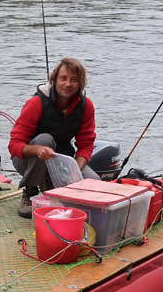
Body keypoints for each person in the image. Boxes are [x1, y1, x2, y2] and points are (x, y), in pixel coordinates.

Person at [8, 57, 99, 218]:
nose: (68, 84)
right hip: (28, 161)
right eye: (63, 78)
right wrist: (37, 149)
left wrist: (75, 169)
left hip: (60, 161)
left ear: (80, 83)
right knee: (44, 139)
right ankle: (30, 191)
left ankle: (54, 186)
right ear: (54, 80)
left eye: (74, 80)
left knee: (94, 182)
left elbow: (86, 144)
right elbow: (14, 146)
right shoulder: (36, 103)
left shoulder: (86, 106)